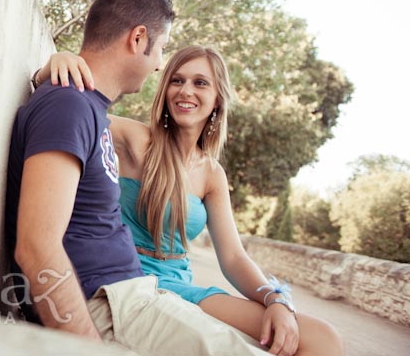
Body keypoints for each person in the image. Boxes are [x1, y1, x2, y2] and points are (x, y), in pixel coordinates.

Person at [5, 0, 268, 356]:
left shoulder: (88, 109)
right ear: (139, 39)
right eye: (161, 49)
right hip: (112, 304)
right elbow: (35, 248)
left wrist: (274, 298)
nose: (159, 65)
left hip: (133, 296)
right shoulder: (70, 106)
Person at [35, 45, 343, 356]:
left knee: (320, 339)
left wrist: (275, 298)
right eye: (177, 80)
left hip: (183, 285)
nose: (186, 91)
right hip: (128, 279)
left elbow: (234, 258)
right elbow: (72, 109)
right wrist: (50, 68)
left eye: (200, 83)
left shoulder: (212, 174)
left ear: (217, 98)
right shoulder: (135, 139)